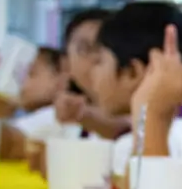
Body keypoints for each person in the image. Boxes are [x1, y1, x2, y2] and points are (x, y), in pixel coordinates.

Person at [89, 1, 182, 189]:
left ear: (132, 72)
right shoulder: (181, 132)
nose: (92, 73)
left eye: (99, 61)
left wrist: (151, 112)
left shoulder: (167, 141)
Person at [53, 8, 131, 142]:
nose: (96, 57)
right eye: (86, 49)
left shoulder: (140, 109)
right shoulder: (55, 114)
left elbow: (131, 127)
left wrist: (83, 115)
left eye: (104, 49)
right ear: (65, 64)